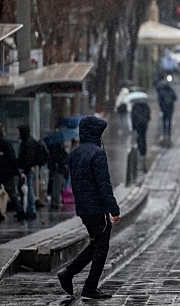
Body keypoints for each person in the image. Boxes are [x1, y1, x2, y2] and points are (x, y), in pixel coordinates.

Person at [58, 116, 120, 300]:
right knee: (101, 246)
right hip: (97, 208)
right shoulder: (97, 154)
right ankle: (89, 286)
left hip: (83, 207)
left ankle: (69, 273)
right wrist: (114, 209)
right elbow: (104, 184)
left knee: (96, 243)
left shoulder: (75, 153)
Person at [17, 125, 42, 220]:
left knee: (28, 188)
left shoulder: (27, 143)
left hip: (25, 169)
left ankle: (31, 209)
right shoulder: (27, 142)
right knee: (22, 188)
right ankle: (26, 208)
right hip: (25, 169)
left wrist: (25, 171)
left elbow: (28, 158)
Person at [48, 137, 69, 211]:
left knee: (55, 187)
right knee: (57, 187)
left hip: (56, 170)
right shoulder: (59, 151)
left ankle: (54, 202)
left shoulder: (53, 150)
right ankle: (56, 202)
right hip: (59, 171)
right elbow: (65, 158)